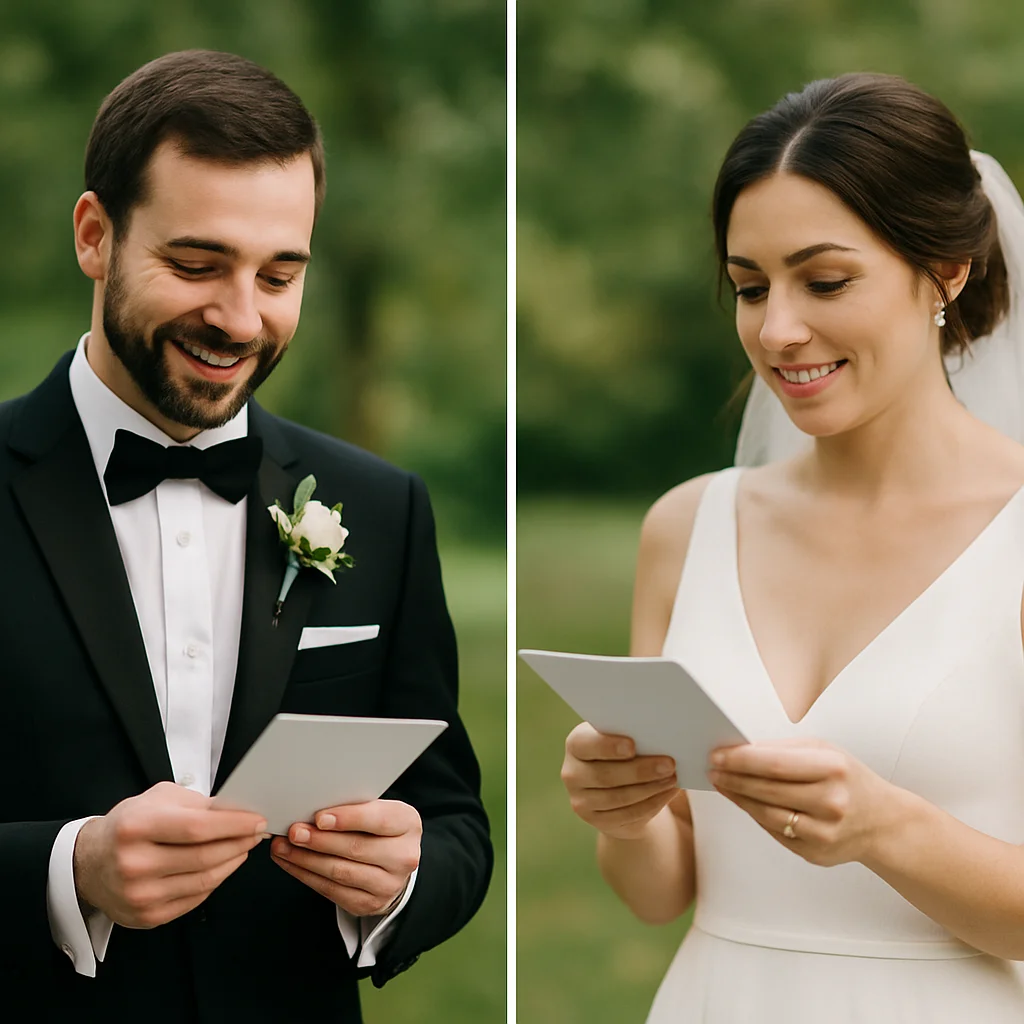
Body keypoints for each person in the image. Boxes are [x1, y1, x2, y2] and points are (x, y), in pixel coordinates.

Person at [0, 50, 492, 1020]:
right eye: (196, 264)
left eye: (280, 273)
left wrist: (399, 878)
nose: (240, 317)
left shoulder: (383, 508)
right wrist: (70, 867)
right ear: (95, 236)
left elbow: (456, 827)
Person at [560, 72, 1024, 1022]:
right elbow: (660, 894)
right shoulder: (686, 528)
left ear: (947, 270)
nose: (777, 330)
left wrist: (888, 826)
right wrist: (626, 815)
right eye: (748, 287)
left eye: (825, 281)